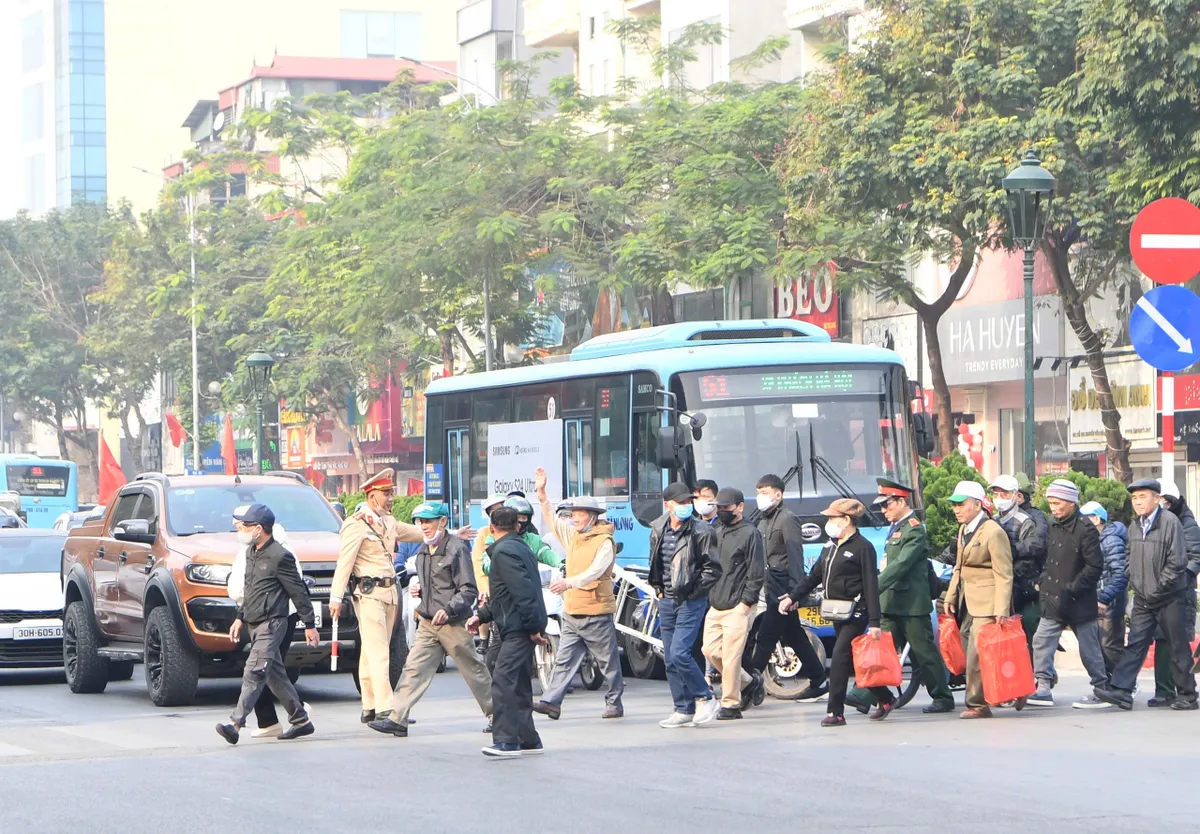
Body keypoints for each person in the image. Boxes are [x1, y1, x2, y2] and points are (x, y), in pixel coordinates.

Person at [369, 502, 493, 738]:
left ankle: (499, 715)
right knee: (413, 669)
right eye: (420, 521)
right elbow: (433, 586)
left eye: (428, 521)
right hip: (428, 623)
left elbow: (468, 590)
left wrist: (448, 609)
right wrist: (421, 593)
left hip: (454, 623)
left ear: (442, 522)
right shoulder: (423, 551)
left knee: (474, 671)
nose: (423, 526)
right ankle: (398, 718)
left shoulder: (457, 549)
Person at [780, 498, 895, 727]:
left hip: (857, 611)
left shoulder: (863, 547)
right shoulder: (830, 546)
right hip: (836, 611)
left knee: (840, 656)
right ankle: (885, 697)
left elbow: (871, 585)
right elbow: (813, 576)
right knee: (851, 659)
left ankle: (835, 712)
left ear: (846, 520)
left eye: (833, 518)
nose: (829, 522)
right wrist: (793, 597)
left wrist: (874, 621)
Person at [849, 479, 955, 715]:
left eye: (887, 505)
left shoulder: (914, 529)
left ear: (901, 501)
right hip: (890, 601)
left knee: (924, 652)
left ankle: (942, 696)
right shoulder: (895, 527)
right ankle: (863, 694)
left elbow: (901, 565)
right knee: (879, 649)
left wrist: (872, 587)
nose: (883, 511)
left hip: (911, 604)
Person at [216, 504, 318, 745]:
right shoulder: (252, 552)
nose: (239, 531)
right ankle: (301, 720)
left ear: (258, 529)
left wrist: (309, 624)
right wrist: (239, 618)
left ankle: (235, 724)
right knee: (274, 675)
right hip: (253, 621)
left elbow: (298, 592)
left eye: (243, 527)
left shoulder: (280, 556)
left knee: (254, 671)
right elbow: (251, 591)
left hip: (272, 623)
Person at [1094, 480, 1199, 711]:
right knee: (1135, 644)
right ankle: (1121, 691)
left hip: (1170, 596)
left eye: (1143, 497)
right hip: (1143, 597)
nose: (1138, 502)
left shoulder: (1171, 523)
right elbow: (1129, 556)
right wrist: (1135, 580)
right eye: (1134, 498)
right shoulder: (1134, 525)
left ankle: (1188, 695)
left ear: (1156, 498)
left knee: (1177, 646)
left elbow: (1178, 561)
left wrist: (1158, 588)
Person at [529, 470, 625, 721]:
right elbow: (551, 519)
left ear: (592, 517)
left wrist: (567, 583)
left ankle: (614, 702)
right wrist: (541, 493)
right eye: (573, 515)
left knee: (608, 663)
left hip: (595, 610)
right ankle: (551, 702)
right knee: (563, 661)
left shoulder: (604, 541)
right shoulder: (574, 536)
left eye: (580, 514)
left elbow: (595, 572)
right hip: (572, 610)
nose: (575, 519)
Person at [331, 469, 420, 725]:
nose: (391, 498)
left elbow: (416, 533)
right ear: (372, 497)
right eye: (386, 493)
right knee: (380, 651)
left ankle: (369, 705)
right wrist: (336, 598)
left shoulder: (389, 522)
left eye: (392, 492)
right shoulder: (356, 525)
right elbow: (344, 563)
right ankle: (387, 708)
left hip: (390, 593)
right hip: (368, 594)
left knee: (371, 651)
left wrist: (449, 534)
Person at [466, 507, 548, 758]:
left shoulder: (504, 552)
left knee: (502, 681)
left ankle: (506, 741)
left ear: (491, 527)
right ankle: (528, 739)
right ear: (517, 525)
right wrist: (481, 615)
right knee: (520, 684)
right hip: (520, 623)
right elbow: (505, 594)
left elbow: (523, 592)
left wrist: (534, 628)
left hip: (518, 627)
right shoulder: (519, 548)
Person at [1027, 480, 1110, 709]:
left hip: (1078, 600)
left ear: (1072, 502)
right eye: (1051, 502)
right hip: (1052, 597)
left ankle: (1101, 688)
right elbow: (1048, 559)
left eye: (1058, 503)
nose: (1053, 508)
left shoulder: (1086, 529)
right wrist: (1043, 582)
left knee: (1089, 647)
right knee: (1042, 640)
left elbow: (1095, 567)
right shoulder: (1053, 525)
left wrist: (1073, 589)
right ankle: (1043, 686)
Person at [746, 474, 829, 700]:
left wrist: (795, 594)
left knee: (765, 636)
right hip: (770, 587)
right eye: (758, 492)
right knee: (794, 635)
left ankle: (750, 684)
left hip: (784, 591)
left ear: (778, 495)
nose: (760, 497)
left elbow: (795, 557)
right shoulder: (762, 521)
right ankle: (819, 679)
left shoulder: (787, 519)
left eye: (765, 492)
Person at [648, 483, 722, 728]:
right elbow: (656, 562)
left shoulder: (701, 530)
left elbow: (712, 569)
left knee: (681, 652)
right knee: (669, 658)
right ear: (668, 505)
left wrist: (693, 592)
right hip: (666, 600)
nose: (686, 507)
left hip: (691, 600)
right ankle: (683, 708)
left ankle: (706, 696)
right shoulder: (658, 527)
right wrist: (658, 589)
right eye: (680, 503)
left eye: (688, 502)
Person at [943, 481, 1016, 719]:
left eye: (961, 504)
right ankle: (1012, 689)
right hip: (968, 600)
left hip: (988, 601)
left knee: (976, 653)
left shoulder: (993, 532)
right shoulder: (964, 529)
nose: (956, 509)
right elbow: (959, 566)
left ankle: (977, 703)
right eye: (954, 505)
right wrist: (952, 594)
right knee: (970, 650)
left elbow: (1004, 573)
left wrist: (1001, 608)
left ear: (976, 504)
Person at [701, 487, 765, 720]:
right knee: (709, 650)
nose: (721, 511)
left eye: (726, 507)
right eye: (718, 507)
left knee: (731, 657)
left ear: (739, 507)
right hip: (716, 603)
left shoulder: (750, 533)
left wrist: (746, 603)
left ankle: (731, 704)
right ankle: (749, 682)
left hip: (739, 606)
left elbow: (756, 572)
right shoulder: (715, 530)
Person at [1152, 481, 1200, 706]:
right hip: (1156, 590)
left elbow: (1195, 557)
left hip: (1179, 591)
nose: (1164, 505)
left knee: (1176, 642)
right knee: (1160, 639)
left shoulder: (1187, 524)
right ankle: (1163, 690)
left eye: (1168, 501)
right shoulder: (1152, 521)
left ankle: (1185, 693)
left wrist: (1178, 579)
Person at [988, 475, 1045, 650]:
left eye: (1004, 494)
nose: (999, 498)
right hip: (996, 587)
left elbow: (1031, 556)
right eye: (996, 494)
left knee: (1027, 629)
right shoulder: (993, 521)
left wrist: (1009, 568)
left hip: (1022, 587)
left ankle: (1041, 672)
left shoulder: (1025, 521)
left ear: (1016, 495)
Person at [1080, 501, 1128, 677]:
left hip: (1110, 602)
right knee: (1099, 646)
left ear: (1096, 519)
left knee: (1110, 646)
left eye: (1084, 519)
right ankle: (1108, 686)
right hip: (1099, 599)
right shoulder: (1094, 540)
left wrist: (1104, 598)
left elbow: (1120, 574)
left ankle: (1120, 685)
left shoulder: (1111, 540)